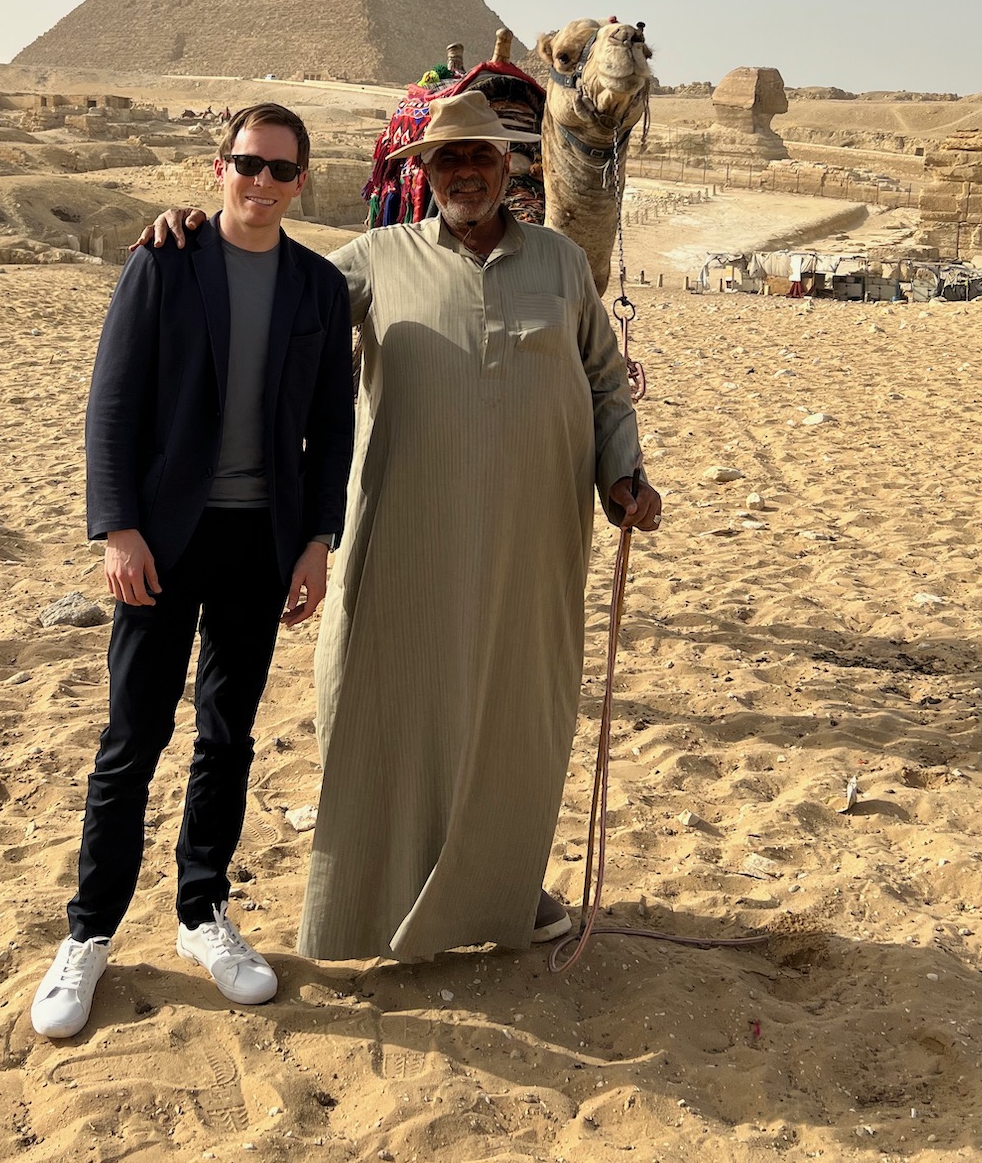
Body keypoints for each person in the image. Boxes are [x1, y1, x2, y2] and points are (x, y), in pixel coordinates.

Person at [146, 89, 660, 964]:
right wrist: (206, 238)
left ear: (510, 169)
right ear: (422, 175)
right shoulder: (376, 260)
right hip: (409, 528)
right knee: (388, 701)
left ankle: (497, 891)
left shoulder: (566, 267)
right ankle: (367, 908)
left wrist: (623, 471)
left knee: (515, 713)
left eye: (482, 159)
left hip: (535, 539)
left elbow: (604, 380)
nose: (465, 173)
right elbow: (275, 299)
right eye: (447, 161)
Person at [30, 104, 354, 1037]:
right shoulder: (163, 261)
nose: (262, 184)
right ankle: (89, 933)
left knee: (227, 736)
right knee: (131, 740)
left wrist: (317, 539)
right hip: (166, 541)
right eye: (248, 164)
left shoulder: (317, 289)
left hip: (263, 541)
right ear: (219, 168)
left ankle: (202, 913)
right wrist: (118, 529)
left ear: (303, 183)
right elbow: (113, 403)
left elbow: (334, 427)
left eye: (281, 171)